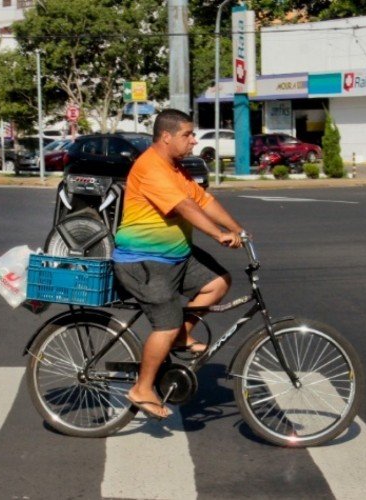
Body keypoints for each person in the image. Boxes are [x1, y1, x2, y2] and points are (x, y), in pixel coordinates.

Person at [113, 108, 245, 420]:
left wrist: (236, 228)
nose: (194, 140)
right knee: (166, 323)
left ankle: (181, 336)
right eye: (188, 134)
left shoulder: (175, 168)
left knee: (218, 282)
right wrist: (218, 235)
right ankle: (142, 388)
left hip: (176, 257)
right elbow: (184, 206)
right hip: (144, 261)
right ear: (166, 137)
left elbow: (202, 200)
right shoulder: (150, 168)